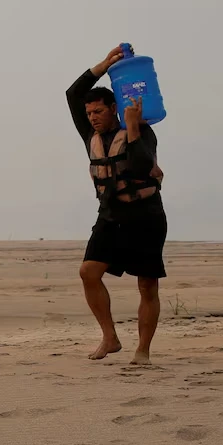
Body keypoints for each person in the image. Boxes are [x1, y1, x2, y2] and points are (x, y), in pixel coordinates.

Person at [65, 47, 167, 363]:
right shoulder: (89, 134)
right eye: (89, 113)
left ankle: (143, 351)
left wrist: (134, 127)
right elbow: (73, 93)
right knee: (88, 272)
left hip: (146, 216)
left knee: (147, 285)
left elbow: (138, 168)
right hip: (111, 215)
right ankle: (110, 338)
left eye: (98, 111)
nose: (92, 118)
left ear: (114, 108)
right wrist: (105, 65)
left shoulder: (142, 131)